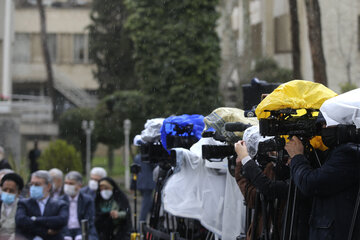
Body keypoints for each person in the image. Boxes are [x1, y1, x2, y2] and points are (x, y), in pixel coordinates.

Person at [285, 128, 359, 240]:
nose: (323, 131)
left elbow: (310, 183)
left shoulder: (348, 153)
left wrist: (297, 157)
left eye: (326, 125)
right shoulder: (340, 151)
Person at [15, 170, 69, 240]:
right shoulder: (24, 203)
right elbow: (21, 221)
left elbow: (61, 221)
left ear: (48, 186)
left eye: (37, 184)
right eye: (31, 184)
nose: (33, 187)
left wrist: (35, 219)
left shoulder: (60, 205)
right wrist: (45, 231)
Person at [60, 171, 98, 240]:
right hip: (65, 231)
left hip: (84, 230)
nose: (67, 186)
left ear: (79, 185)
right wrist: (66, 234)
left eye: (71, 183)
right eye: (66, 183)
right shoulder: (60, 200)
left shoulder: (87, 200)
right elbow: (60, 220)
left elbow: (89, 220)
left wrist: (80, 234)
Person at [131, 153, 155, 222]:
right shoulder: (150, 156)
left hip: (140, 183)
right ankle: (141, 223)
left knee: (148, 203)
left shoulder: (137, 157)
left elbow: (134, 171)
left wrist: (132, 185)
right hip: (148, 183)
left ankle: (156, 219)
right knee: (145, 205)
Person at [0, 173, 24, 239]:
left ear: (18, 192)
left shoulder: (23, 207)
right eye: (5, 190)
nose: (7, 193)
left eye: (11, 191)